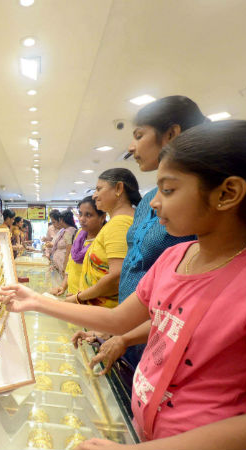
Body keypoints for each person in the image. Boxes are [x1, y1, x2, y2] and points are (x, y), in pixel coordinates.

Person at [0, 120, 246, 449]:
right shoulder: (175, 256)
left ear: (227, 193)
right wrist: (37, 301)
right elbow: (118, 320)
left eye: (168, 190)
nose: (153, 203)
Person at [76, 96, 208, 369]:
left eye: (139, 135)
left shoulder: (195, 212)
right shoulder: (148, 201)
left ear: (171, 135)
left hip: (167, 344)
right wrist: (115, 331)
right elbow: (133, 275)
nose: (130, 146)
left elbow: (186, 304)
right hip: (132, 332)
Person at [68, 169, 140, 308]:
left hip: (106, 310)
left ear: (118, 188)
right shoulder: (119, 222)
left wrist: (78, 298)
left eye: (99, 189)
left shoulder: (119, 223)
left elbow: (116, 278)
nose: (94, 195)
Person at [51, 197, 106, 296]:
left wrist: (79, 297)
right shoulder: (79, 233)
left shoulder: (104, 239)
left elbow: (103, 279)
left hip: (88, 298)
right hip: (72, 293)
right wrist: (63, 286)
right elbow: (71, 265)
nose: (82, 219)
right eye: (80, 214)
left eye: (88, 215)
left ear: (102, 218)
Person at [49, 210, 77, 276]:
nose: (59, 222)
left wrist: (65, 267)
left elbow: (68, 251)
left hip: (63, 264)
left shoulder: (69, 231)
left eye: (59, 220)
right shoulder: (64, 230)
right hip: (59, 264)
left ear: (63, 220)